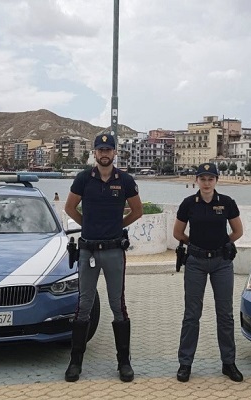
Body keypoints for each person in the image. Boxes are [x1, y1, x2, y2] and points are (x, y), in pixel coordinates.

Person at [63, 133, 143, 383]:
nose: (105, 154)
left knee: (117, 305)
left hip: (113, 250)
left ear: (114, 153)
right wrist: (88, 225)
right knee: (84, 305)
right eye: (101, 150)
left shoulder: (126, 180)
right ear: (95, 154)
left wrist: (118, 227)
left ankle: (124, 363)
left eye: (109, 149)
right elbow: (69, 208)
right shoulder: (83, 178)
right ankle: (75, 362)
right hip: (87, 250)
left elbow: (138, 210)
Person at [173, 162, 244, 383]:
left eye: (210, 179)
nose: (206, 183)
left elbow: (238, 231)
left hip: (222, 263)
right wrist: (194, 243)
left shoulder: (227, 203)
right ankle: (185, 364)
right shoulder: (188, 204)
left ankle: (228, 363)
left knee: (225, 314)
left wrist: (223, 243)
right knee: (192, 315)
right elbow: (178, 232)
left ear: (216, 181)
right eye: (202, 179)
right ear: (197, 180)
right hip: (195, 261)